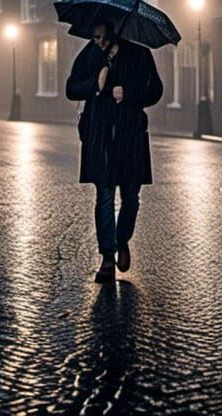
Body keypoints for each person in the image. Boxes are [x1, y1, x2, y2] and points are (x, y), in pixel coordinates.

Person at [66, 20, 164, 283]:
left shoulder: (140, 54)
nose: (96, 41)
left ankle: (122, 239)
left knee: (131, 198)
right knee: (105, 196)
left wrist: (129, 94)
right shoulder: (90, 54)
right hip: (101, 136)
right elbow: (71, 88)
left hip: (130, 137)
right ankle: (107, 257)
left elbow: (155, 90)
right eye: (94, 37)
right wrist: (96, 84)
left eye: (100, 37)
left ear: (112, 34)